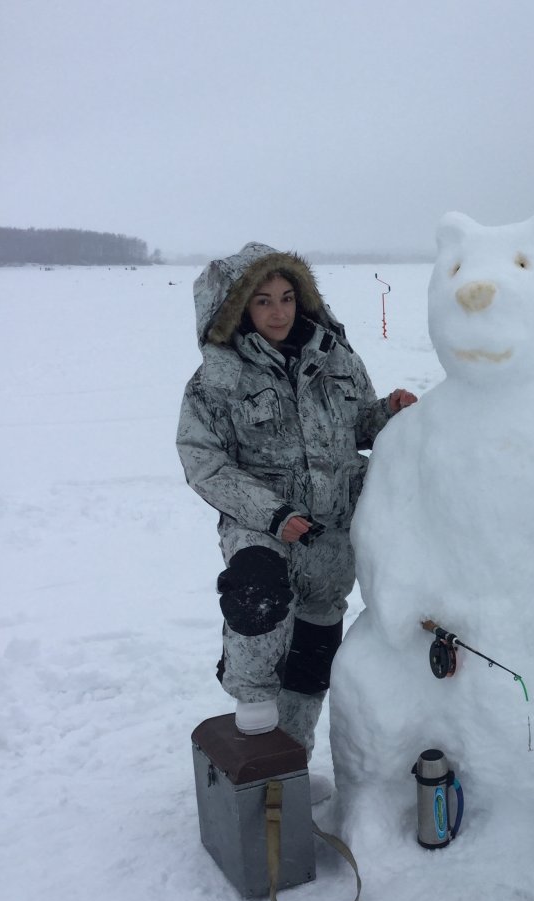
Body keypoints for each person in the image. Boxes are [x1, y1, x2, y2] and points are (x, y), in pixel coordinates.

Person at [176, 243, 416, 794]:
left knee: (314, 650)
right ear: (239, 308)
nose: (279, 311)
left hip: (331, 532)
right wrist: (273, 513)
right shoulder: (216, 380)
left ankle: (289, 768)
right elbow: (203, 461)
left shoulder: (336, 357)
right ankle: (254, 725)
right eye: (263, 301)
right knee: (256, 597)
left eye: (287, 297)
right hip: (261, 525)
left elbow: (358, 427)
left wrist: (388, 414)